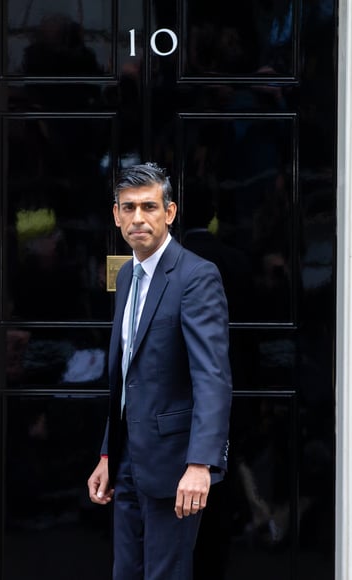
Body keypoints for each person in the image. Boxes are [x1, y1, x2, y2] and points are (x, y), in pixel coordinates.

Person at [87, 162, 233, 579]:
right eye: (128, 208)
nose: (138, 218)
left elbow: (212, 378)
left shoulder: (196, 276)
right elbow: (127, 378)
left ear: (169, 213)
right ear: (116, 215)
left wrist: (201, 463)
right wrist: (107, 453)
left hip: (175, 464)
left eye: (149, 207)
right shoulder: (128, 277)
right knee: (126, 573)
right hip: (128, 458)